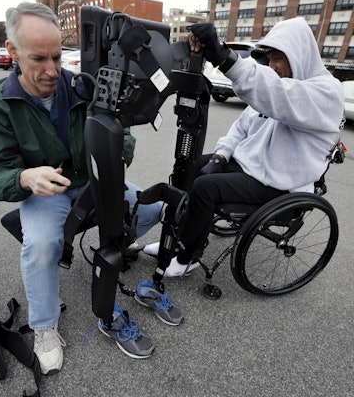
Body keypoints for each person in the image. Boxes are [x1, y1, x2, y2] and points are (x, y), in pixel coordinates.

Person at [0, 2, 172, 375]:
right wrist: (24, 178)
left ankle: (106, 247)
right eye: (38, 59)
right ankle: (45, 326)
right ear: (12, 51)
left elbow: (120, 124)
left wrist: (121, 154)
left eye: (56, 57)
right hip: (45, 195)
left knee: (149, 209)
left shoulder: (83, 84)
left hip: (94, 180)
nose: (52, 71)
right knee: (43, 246)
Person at [144, 17, 344, 277]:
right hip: (250, 165)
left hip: (279, 183)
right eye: (269, 60)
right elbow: (241, 128)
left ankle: (187, 257)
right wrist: (220, 156)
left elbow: (277, 93)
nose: (272, 67)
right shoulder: (277, 87)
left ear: (299, 55)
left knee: (205, 188)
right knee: (187, 167)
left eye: (278, 59)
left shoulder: (325, 92)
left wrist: (224, 56)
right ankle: (177, 238)